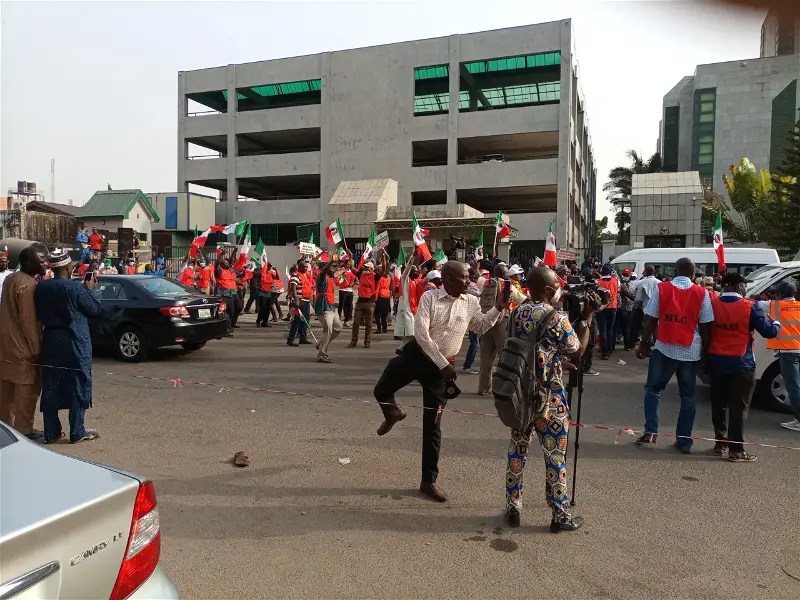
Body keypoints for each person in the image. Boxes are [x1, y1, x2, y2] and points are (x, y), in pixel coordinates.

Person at [373, 261, 510, 502]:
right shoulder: (429, 298)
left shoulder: (470, 302)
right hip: (418, 357)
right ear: (447, 279)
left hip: (441, 371)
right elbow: (422, 336)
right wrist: (442, 363)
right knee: (381, 389)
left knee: (433, 427)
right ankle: (392, 413)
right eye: (464, 278)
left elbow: (479, 326)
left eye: (469, 277)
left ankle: (429, 481)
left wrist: (498, 308)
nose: (469, 281)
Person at [503, 267, 595, 530]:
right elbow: (577, 350)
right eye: (557, 284)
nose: (560, 289)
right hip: (549, 400)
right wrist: (587, 318)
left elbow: (532, 350)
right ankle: (559, 516)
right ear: (546, 289)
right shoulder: (556, 317)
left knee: (517, 450)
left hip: (521, 395)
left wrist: (556, 361)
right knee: (555, 456)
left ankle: (513, 506)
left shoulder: (518, 312)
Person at [635, 258, 713, 453]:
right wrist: (706, 351)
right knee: (688, 397)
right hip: (690, 350)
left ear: (675, 271)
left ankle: (650, 433)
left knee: (653, 390)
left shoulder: (663, 289)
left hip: (664, 348)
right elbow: (705, 325)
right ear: (693, 273)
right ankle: (684, 441)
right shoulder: (702, 293)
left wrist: (643, 343)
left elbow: (651, 319)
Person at [706, 272, 780, 462]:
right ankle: (736, 450)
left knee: (719, 405)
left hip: (716, 360)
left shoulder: (712, 304)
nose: (745, 288)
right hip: (741, 364)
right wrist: (777, 323)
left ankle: (720, 444)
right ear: (737, 286)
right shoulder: (750, 307)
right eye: (743, 285)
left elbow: (704, 330)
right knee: (738, 407)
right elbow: (769, 331)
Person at [34, 249, 101, 444]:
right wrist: (92, 290)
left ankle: (51, 431)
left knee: (51, 384)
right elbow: (95, 309)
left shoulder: (41, 287)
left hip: (51, 340)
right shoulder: (75, 288)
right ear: (66, 267)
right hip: (75, 340)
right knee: (78, 382)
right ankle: (77, 430)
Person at [0, 247, 47, 439]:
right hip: (22, 348)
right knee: (27, 391)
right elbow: (28, 320)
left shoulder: (11, 278)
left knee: (6, 391)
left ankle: (5, 429)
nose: (45, 263)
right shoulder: (28, 285)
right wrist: (36, 348)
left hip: (5, 345)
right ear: (29, 263)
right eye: (41, 260)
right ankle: (24, 430)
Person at [477, 263, 527, 394]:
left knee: (486, 357)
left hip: (486, 320)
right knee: (504, 356)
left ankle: (483, 387)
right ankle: (504, 388)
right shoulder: (507, 285)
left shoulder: (484, 282)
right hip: (501, 321)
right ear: (505, 274)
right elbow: (523, 300)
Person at [763, 281, 800, 432]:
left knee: (793, 387)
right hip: (798, 350)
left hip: (788, 352)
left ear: (781, 294)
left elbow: (753, 305)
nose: (775, 295)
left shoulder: (773, 306)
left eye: (776, 293)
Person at [314, 251, 347, 362]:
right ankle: (322, 355)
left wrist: (340, 263)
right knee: (327, 330)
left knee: (338, 328)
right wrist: (331, 262)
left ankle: (321, 343)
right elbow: (325, 271)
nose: (334, 268)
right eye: (332, 267)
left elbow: (339, 271)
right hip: (324, 307)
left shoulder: (331, 278)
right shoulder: (321, 276)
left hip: (331, 307)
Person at [348, 256, 384, 349]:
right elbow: (352, 268)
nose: (364, 269)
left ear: (372, 269)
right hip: (360, 302)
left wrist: (384, 259)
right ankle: (353, 341)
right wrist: (351, 256)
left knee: (369, 324)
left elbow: (383, 269)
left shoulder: (375, 277)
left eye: (367, 268)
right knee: (356, 323)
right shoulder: (361, 274)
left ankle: (367, 342)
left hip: (370, 303)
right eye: (364, 267)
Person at [393, 254, 421, 349]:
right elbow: (405, 272)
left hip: (413, 309)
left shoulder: (415, 281)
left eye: (417, 271)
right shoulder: (405, 280)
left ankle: (402, 348)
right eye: (414, 271)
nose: (416, 273)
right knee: (411, 332)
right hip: (405, 309)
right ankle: (402, 348)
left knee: (413, 333)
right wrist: (410, 263)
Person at [287, 260, 313, 346]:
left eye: (306, 267)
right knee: (297, 320)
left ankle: (303, 338)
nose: (305, 268)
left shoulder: (307, 275)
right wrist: (296, 300)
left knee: (305, 320)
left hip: (306, 300)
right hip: (299, 300)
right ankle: (290, 340)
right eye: (303, 267)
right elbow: (293, 287)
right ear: (299, 267)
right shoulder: (296, 275)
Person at [596, 265, 619, 359]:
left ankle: (604, 352)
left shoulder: (599, 282)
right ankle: (609, 349)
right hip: (613, 308)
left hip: (602, 309)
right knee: (610, 330)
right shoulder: (615, 281)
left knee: (603, 331)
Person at [461, 268, 481, 374]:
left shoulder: (469, 286)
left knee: (476, 342)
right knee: (475, 343)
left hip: (473, 316)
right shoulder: (471, 287)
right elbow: (480, 294)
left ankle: (468, 365)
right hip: (473, 317)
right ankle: (467, 365)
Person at [216, 257, 241, 332]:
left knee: (239, 307)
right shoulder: (219, 271)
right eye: (225, 263)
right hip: (225, 292)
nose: (228, 264)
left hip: (233, 291)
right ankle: (227, 328)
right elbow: (216, 264)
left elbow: (234, 278)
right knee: (230, 311)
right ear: (221, 265)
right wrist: (221, 255)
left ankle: (232, 323)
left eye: (228, 263)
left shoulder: (230, 270)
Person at [618, 269, 637, 351]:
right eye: (624, 275)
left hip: (629, 308)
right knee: (625, 327)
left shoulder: (634, 284)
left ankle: (628, 344)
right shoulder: (622, 285)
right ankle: (627, 345)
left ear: (630, 275)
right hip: (624, 308)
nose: (625, 276)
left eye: (627, 275)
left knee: (627, 328)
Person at [374, 251, 392, 335]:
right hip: (386, 296)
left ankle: (379, 328)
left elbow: (385, 268)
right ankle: (384, 328)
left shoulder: (381, 277)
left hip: (380, 296)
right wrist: (384, 257)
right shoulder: (388, 277)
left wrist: (384, 257)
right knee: (384, 314)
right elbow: (386, 268)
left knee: (378, 314)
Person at [336, 259, 356, 327]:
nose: (349, 265)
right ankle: (338, 319)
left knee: (349, 306)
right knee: (341, 305)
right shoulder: (342, 270)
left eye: (349, 264)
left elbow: (353, 279)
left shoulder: (351, 271)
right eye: (347, 264)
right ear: (345, 264)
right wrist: (341, 278)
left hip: (349, 290)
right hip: (343, 290)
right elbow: (339, 280)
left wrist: (351, 284)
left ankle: (346, 320)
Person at [256, 262, 275, 328]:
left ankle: (265, 322)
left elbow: (274, 280)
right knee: (262, 308)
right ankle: (258, 320)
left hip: (268, 293)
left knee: (268, 309)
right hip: (262, 294)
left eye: (270, 266)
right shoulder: (261, 274)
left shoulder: (270, 274)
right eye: (268, 266)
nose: (270, 267)